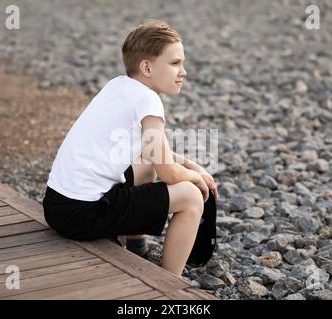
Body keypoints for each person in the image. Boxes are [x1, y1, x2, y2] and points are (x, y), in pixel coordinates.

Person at [42, 19, 219, 277]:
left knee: (148, 165)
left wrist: (191, 165)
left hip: (57, 206)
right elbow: (169, 174)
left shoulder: (118, 86)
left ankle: (136, 246)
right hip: (82, 215)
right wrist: (197, 178)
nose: (184, 71)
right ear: (147, 67)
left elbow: (152, 153)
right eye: (174, 63)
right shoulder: (148, 100)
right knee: (191, 197)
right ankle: (169, 282)